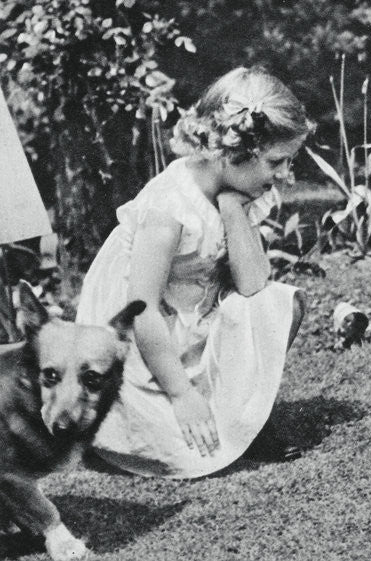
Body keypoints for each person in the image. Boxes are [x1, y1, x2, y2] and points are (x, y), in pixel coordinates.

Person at [75, 66, 314, 478]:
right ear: (232, 152)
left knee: (280, 305)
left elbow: (254, 286)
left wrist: (231, 208)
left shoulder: (240, 192)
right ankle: (161, 414)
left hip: (194, 315)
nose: (285, 176)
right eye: (277, 161)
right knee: (181, 448)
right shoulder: (169, 209)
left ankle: (243, 416)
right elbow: (140, 310)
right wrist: (181, 393)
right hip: (140, 338)